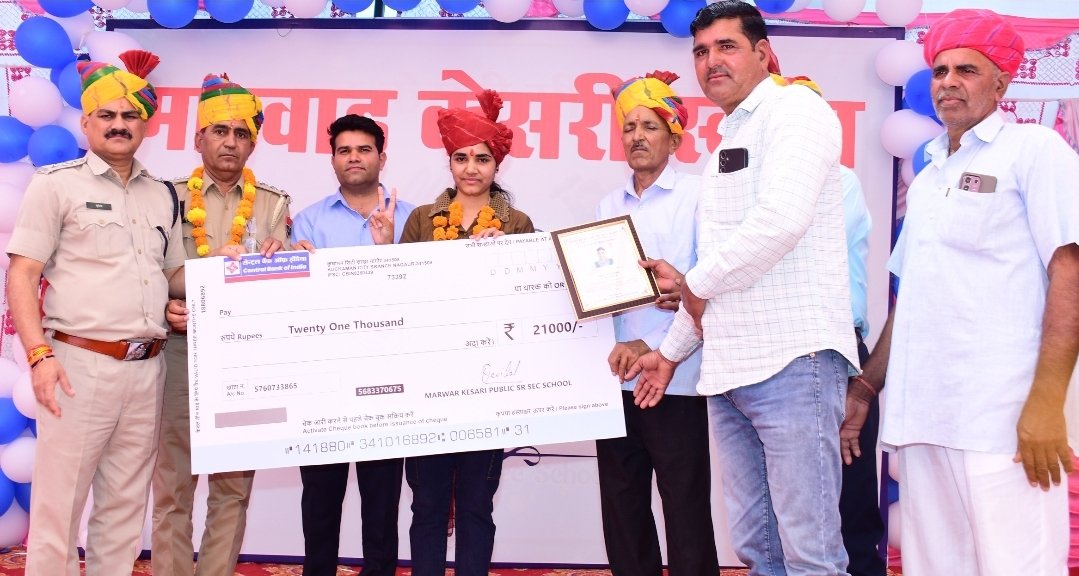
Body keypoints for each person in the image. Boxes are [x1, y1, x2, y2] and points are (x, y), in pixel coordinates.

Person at [841, 9, 1079, 575]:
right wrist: (867, 388)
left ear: (1001, 84)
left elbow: (1070, 271)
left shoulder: (1034, 150)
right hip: (924, 415)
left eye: (967, 70)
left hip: (1003, 419)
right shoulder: (930, 177)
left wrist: (1047, 405)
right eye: (941, 70)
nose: (949, 81)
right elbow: (912, 298)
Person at [628, 2, 859, 574]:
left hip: (792, 362)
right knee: (759, 550)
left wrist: (691, 282)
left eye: (726, 46)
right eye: (701, 51)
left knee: (810, 553)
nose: (711, 61)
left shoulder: (796, 109)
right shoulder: (730, 137)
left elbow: (780, 222)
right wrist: (669, 354)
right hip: (730, 373)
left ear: (763, 53)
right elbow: (717, 277)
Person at [4, 51, 188, 575]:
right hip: (78, 368)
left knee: (124, 509)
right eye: (106, 115)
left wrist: (237, 269)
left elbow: (174, 275)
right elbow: (22, 275)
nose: (118, 124)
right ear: (86, 123)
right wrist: (39, 356)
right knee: (59, 510)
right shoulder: (56, 184)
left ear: (145, 125)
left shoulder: (162, 195)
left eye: (130, 115)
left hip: (147, 369)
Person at [151, 72, 291, 576]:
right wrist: (175, 299)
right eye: (220, 131)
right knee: (173, 485)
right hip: (181, 350)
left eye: (241, 133)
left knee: (233, 488)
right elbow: (153, 273)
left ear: (253, 143)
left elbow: (279, 284)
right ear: (199, 139)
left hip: (243, 358)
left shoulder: (274, 203)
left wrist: (292, 259)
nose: (231, 142)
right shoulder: (167, 196)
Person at [399, 89, 534, 576]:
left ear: (497, 163)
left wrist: (506, 259)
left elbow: (530, 300)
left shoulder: (517, 224)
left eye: (482, 158)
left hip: (488, 386)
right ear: (449, 162)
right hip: (428, 386)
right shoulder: (422, 219)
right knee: (427, 506)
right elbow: (400, 295)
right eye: (461, 158)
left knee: (477, 505)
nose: (471, 168)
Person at [593, 71, 718, 576]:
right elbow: (599, 293)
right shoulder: (607, 205)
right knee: (622, 509)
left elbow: (707, 287)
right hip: (617, 377)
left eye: (650, 126)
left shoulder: (699, 196)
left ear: (675, 137)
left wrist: (654, 342)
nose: (637, 136)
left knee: (685, 509)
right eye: (629, 127)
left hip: (677, 376)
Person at [290, 114, 415, 576]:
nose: (354, 158)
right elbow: (290, 302)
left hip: (390, 376)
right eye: (344, 151)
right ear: (333, 161)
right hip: (324, 376)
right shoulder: (308, 221)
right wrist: (293, 268)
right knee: (320, 497)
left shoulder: (415, 218)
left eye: (364, 149)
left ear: (382, 157)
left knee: (381, 498)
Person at [772, 73, 885, 576]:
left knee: (847, 493)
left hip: (834, 348)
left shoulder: (840, 181)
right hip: (778, 349)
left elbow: (787, 252)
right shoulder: (763, 188)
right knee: (793, 500)